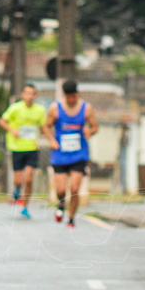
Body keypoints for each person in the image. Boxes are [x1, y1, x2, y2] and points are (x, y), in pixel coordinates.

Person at [43, 80, 98, 228]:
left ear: (77, 94)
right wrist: (51, 140)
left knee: (74, 189)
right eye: (69, 97)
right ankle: (61, 204)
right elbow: (46, 126)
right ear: (65, 96)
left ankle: (72, 218)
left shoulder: (86, 108)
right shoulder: (55, 108)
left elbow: (94, 127)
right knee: (60, 190)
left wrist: (90, 131)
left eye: (74, 96)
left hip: (79, 154)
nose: (72, 100)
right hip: (60, 155)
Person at [0, 84, 45, 218]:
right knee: (19, 180)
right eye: (27, 93)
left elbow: (43, 126)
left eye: (32, 94)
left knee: (29, 179)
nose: (30, 96)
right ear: (23, 95)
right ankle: (17, 189)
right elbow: (2, 121)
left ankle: (25, 206)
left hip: (32, 147)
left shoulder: (40, 110)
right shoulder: (15, 108)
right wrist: (12, 130)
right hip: (16, 147)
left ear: (35, 96)